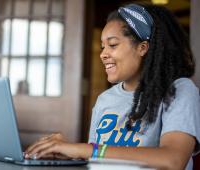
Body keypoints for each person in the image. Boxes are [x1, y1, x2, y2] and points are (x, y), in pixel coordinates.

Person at [24, 3, 200, 170]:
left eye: (113, 45)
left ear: (142, 47)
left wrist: (83, 149)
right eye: (102, 47)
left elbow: (173, 160)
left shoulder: (179, 90)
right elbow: (95, 160)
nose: (103, 54)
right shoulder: (105, 100)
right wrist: (68, 153)